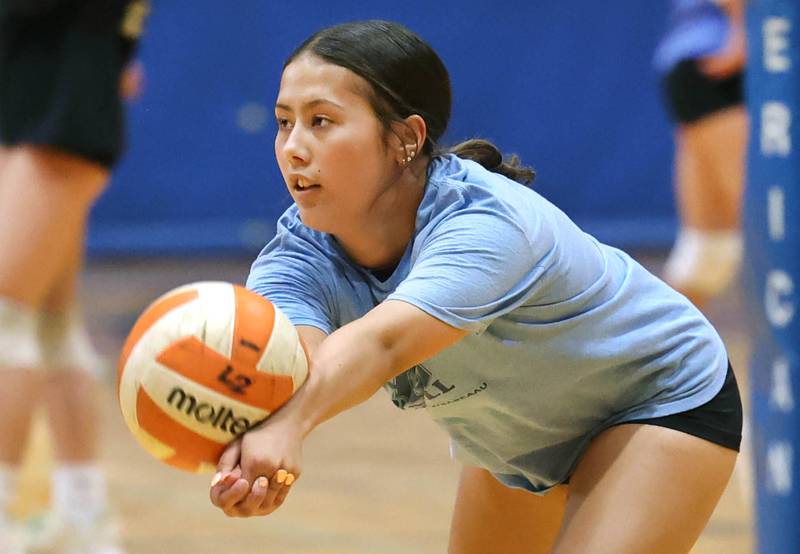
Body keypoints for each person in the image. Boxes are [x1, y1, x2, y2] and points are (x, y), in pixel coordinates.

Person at [209, 20, 743, 553]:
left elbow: (382, 343)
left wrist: (289, 427)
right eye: (284, 123)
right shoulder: (295, 255)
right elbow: (300, 365)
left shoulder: (484, 224)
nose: (293, 149)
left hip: (656, 394)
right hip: (517, 439)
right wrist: (253, 448)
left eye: (321, 121)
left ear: (405, 138)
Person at [0, 1, 148, 552]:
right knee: (48, 325)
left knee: (6, 319)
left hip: (62, 95)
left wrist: (114, 51)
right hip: (33, 82)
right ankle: (86, 521)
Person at [655, 0, 747, 308]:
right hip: (724, 70)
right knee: (769, 228)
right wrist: (741, 34)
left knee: (708, 252)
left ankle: (632, 352)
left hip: (692, 64)